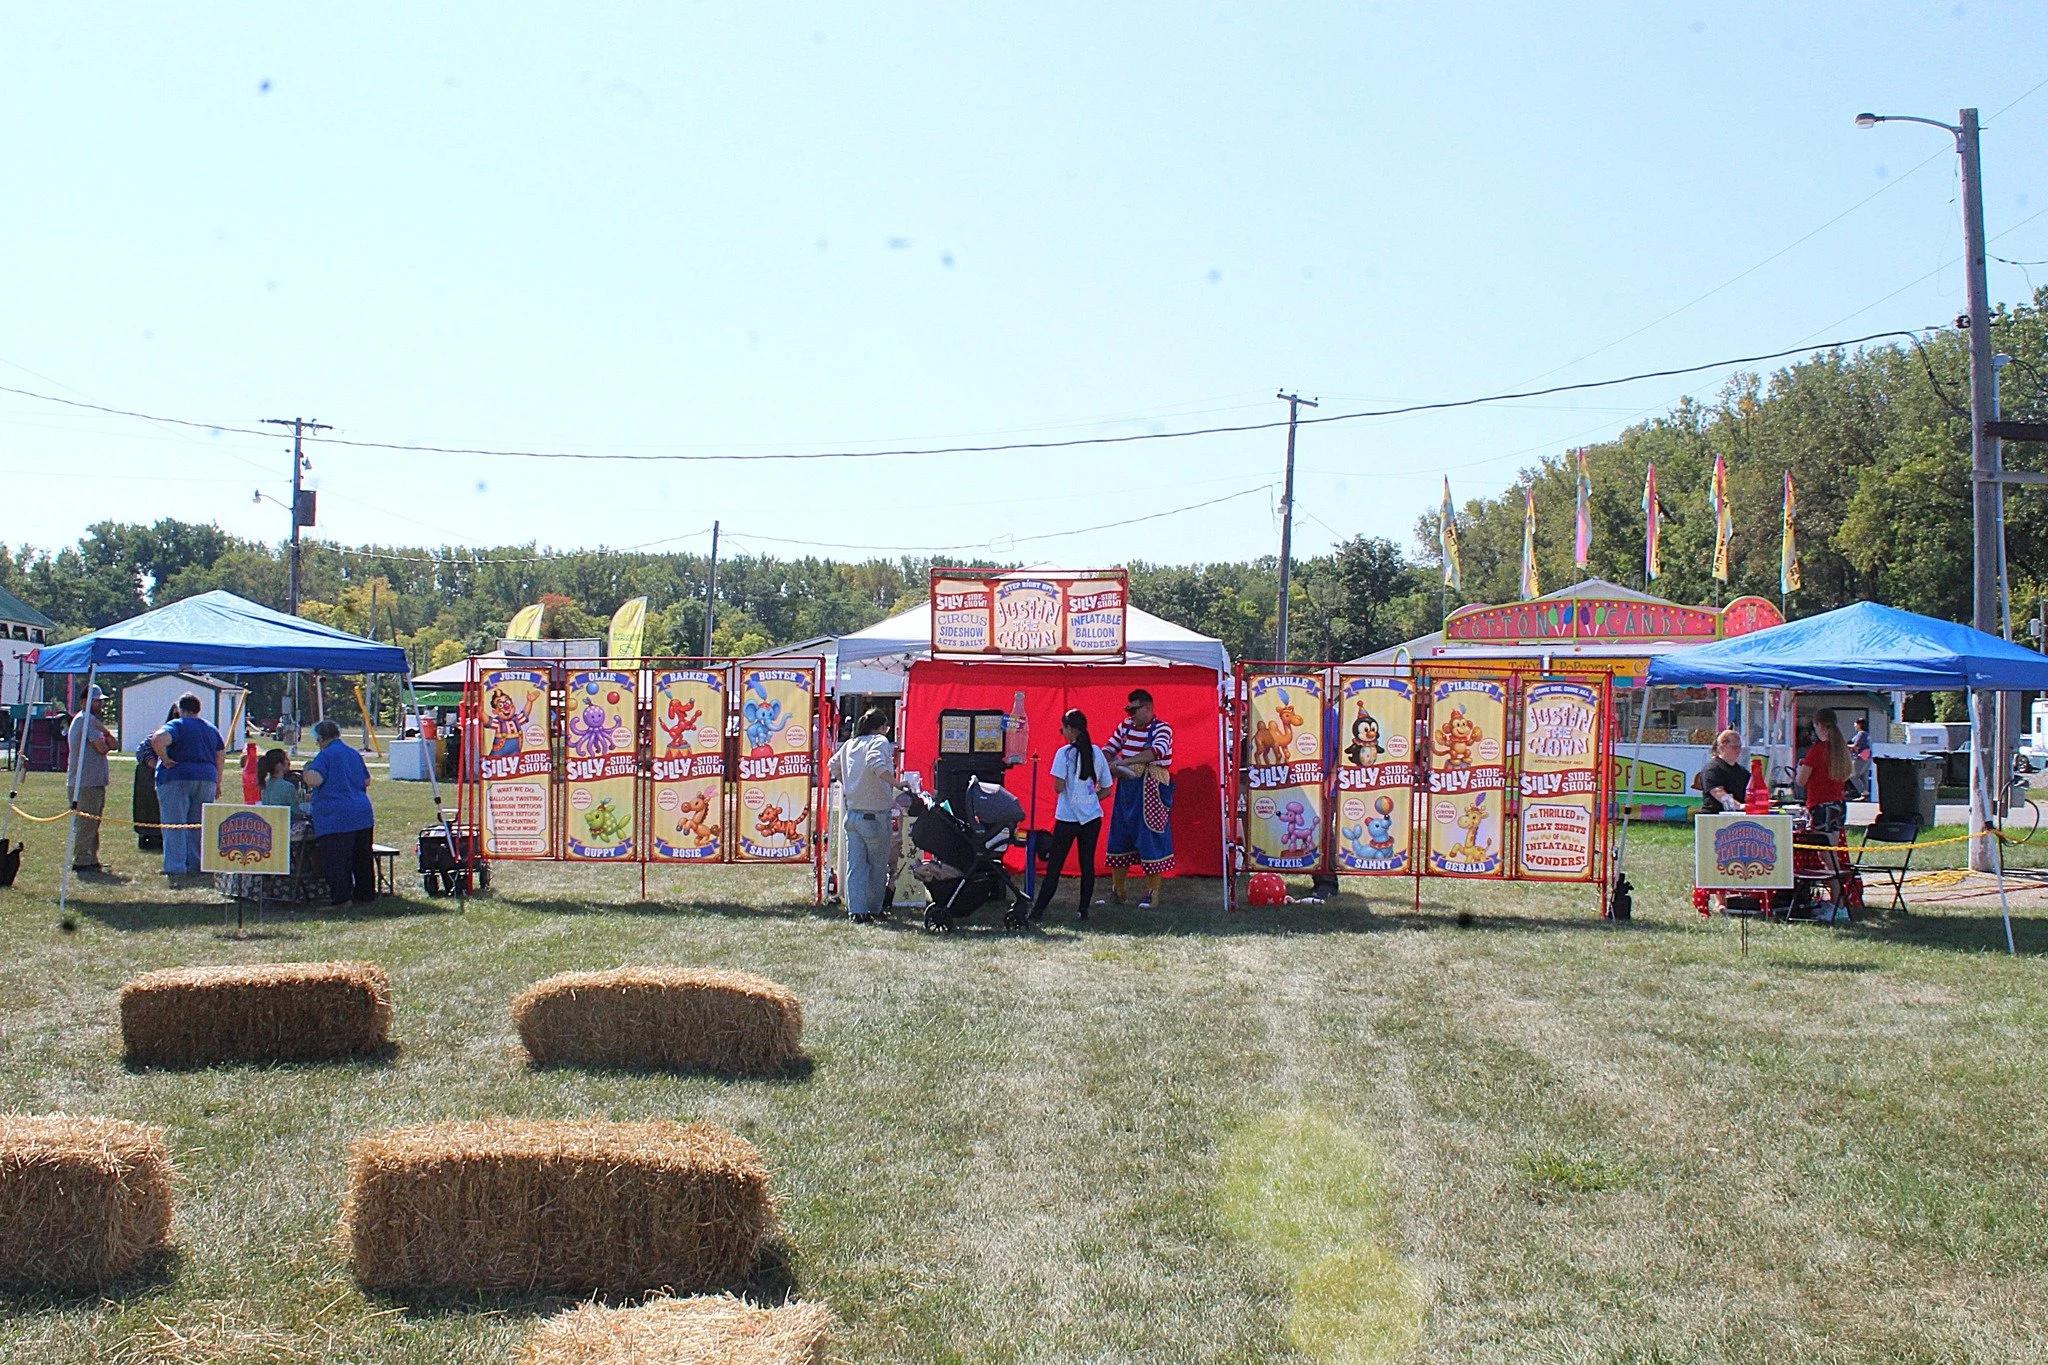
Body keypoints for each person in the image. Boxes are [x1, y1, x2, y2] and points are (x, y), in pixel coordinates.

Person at [1031, 708, 1111, 922]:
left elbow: (1058, 787)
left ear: (1071, 730)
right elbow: (1106, 789)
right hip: (1092, 818)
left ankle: (1038, 911)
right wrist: (1089, 799)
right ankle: (1083, 910)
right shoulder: (1097, 752)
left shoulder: (1064, 754)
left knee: (1055, 866)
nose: (1062, 732)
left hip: (1067, 818)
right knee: (1087, 865)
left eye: (1063, 728)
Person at [829, 706, 901, 924]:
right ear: (882, 727)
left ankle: (857, 911)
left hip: (853, 814)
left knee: (856, 866)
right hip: (875, 815)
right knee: (877, 867)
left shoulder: (850, 744)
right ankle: (874, 908)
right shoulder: (879, 741)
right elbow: (875, 763)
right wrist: (896, 783)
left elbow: (833, 766)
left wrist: (849, 783)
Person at [1103, 687, 1175, 907]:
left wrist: (1125, 761)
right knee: (1120, 836)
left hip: (1151, 787)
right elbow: (1109, 747)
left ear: (1147, 708)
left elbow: (1156, 752)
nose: (1130, 715)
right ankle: (1118, 890)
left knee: (1150, 837)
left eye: (1134, 710)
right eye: (1128, 710)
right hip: (1127, 789)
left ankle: (1152, 892)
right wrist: (1104, 761)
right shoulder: (1125, 726)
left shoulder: (1162, 728)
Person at [301, 718, 377, 905]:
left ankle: (341, 899)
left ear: (321, 738)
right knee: (362, 858)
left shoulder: (325, 755)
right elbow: (366, 780)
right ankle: (365, 896)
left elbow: (314, 780)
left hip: (336, 816)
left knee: (337, 860)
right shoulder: (353, 753)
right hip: (362, 813)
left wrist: (306, 771)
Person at [151, 693, 225, 877]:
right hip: (206, 778)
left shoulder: (177, 725)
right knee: (198, 824)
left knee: (174, 823)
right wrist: (218, 781)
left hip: (176, 777)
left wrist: (165, 759)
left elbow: (158, 739)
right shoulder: (211, 729)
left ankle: (175, 866)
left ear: (179, 708)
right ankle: (197, 863)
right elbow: (220, 755)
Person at [64, 685, 116, 873]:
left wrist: (106, 735)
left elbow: (114, 744)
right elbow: (102, 748)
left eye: (101, 701)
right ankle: (81, 859)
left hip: (94, 781)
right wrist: (106, 739)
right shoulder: (86, 720)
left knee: (93, 823)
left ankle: (91, 857)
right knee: (86, 823)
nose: (100, 704)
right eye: (96, 701)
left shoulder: (92, 721)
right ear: (84, 701)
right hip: (85, 782)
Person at [1798, 707, 1853, 834]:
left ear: (1820, 725)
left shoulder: (1817, 750)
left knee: (1821, 844)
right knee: (1833, 843)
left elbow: (1801, 781)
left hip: (1820, 806)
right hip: (1839, 805)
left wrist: (1800, 768)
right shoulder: (1841, 749)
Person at [1696, 729, 1752, 814]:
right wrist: (1738, 806)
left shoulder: (1743, 772)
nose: (1738, 750)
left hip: (1737, 816)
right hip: (1713, 816)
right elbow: (1718, 792)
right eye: (1734, 747)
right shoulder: (1712, 769)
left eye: (1740, 747)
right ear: (1722, 747)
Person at [257, 747, 304, 816]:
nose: (289, 761)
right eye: (286, 759)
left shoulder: (265, 784)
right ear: (279, 765)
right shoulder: (288, 787)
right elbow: (296, 811)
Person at [1849, 716, 1874, 801]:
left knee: (1852, 775)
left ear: (1859, 724)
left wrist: (1846, 746)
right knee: (1864, 777)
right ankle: (1865, 796)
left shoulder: (1861, 733)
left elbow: (1856, 746)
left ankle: (1863, 792)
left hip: (1860, 757)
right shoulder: (1866, 734)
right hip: (1867, 757)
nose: (1854, 725)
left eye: (1855, 723)